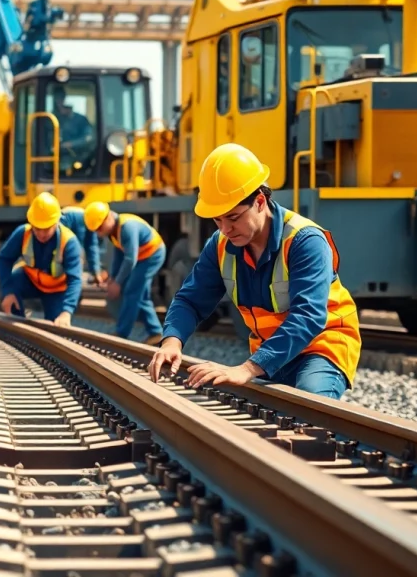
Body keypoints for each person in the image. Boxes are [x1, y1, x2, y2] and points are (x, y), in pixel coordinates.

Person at [147, 143, 361, 399]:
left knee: (310, 403)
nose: (225, 228)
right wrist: (172, 341)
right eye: (217, 219)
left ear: (260, 201)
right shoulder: (220, 245)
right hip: (272, 352)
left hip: (322, 346)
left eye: (233, 217)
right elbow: (190, 300)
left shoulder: (305, 241)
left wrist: (248, 368)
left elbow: (309, 317)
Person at [83, 201, 165, 344]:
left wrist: (118, 283)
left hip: (152, 254)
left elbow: (129, 259)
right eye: (96, 230)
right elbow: (119, 256)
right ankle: (156, 332)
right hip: (141, 257)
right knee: (141, 295)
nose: (99, 233)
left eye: (100, 228)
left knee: (131, 291)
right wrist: (112, 278)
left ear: (108, 218)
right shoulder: (113, 232)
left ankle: (122, 333)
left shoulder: (127, 227)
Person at [0, 192, 83, 327]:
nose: (41, 234)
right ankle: (18, 328)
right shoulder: (23, 233)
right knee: (14, 281)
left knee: (56, 327)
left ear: (56, 223)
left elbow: (75, 279)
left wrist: (67, 312)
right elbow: (4, 258)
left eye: (46, 229)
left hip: (56, 290)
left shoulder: (69, 242)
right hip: (30, 282)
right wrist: (7, 291)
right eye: (37, 229)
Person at [60, 205, 104, 284]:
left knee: (62, 247)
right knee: (82, 248)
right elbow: (92, 246)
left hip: (66, 214)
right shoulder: (87, 217)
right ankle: (92, 275)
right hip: (83, 216)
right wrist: (96, 271)